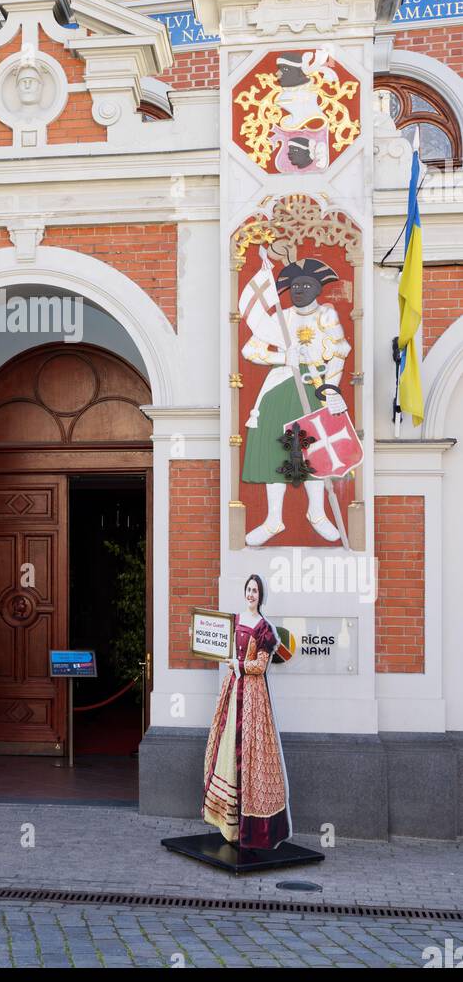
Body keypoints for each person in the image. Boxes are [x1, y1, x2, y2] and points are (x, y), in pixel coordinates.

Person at [241, 256, 350, 545]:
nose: (299, 290)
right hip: (280, 387)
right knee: (274, 449)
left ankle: (317, 513)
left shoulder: (326, 315)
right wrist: (281, 357)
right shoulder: (282, 318)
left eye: (305, 284)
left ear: (317, 288)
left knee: (313, 449)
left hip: (314, 385)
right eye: (295, 285)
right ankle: (274, 519)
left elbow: (339, 352)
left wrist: (331, 391)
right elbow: (250, 350)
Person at [202, 574, 291, 850]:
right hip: (234, 691)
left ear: (261, 596)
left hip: (253, 696)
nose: (252, 594)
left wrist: (239, 665)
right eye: (249, 589)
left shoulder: (263, 628)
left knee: (253, 753)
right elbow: (218, 644)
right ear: (244, 593)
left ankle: (253, 828)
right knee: (228, 747)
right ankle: (228, 825)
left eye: (256, 590)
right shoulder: (235, 620)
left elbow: (261, 666)